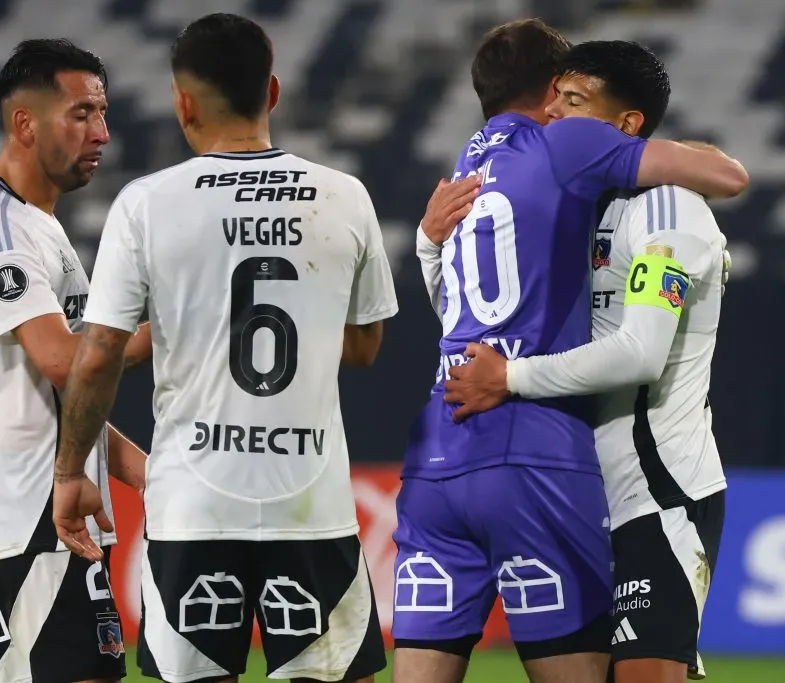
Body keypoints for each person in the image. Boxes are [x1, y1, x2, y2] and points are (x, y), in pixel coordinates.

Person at [392, 20, 747, 683]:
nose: (554, 113)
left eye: (575, 103)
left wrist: (512, 377)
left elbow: (641, 353)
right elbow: (485, 324)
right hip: (575, 484)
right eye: (554, 98)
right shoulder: (575, 206)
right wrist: (428, 244)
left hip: (653, 493)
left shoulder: (670, 211)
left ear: (625, 123)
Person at [49, 13, 397, 683]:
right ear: (271, 92)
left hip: (193, 509)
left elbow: (95, 358)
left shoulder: (147, 203)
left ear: (183, 101)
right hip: (311, 509)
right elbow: (362, 347)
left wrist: (71, 473)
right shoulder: (344, 195)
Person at [0, 39, 152, 683]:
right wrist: (181, 326)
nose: (102, 132)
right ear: (24, 124)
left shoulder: (40, 225)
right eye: (82, 114)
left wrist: (145, 473)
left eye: (104, 114)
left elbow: (70, 394)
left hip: (61, 512)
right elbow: (66, 362)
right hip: (27, 517)